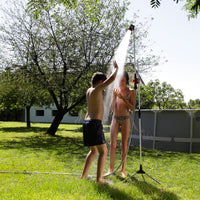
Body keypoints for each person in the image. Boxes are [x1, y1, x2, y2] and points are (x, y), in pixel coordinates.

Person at [81, 61, 118, 184]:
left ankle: (84, 175)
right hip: (94, 123)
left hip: (87, 123)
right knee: (103, 151)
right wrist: (116, 69)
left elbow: (106, 80)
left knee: (93, 150)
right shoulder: (97, 89)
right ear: (100, 82)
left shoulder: (89, 90)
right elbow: (111, 79)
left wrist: (107, 72)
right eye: (103, 82)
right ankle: (99, 179)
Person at [107, 71, 135, 178]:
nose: (121, 82)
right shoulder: (115, 90)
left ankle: (123, 170)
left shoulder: (131, 92)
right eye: (119, 80)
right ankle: (111, 168)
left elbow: (132, 108)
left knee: (123, 145)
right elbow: (112, 108)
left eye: (123, 80)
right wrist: (114, 97)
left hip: (125, 119)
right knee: (112, 144)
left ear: (127, 81)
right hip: (115, 118)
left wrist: (123, 98)